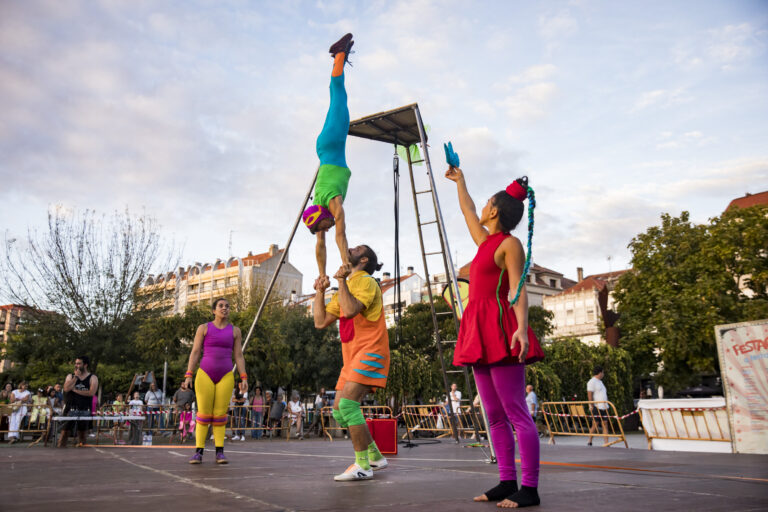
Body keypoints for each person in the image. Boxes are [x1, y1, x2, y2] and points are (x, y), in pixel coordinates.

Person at [445, 153, 544, 508]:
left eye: (488, 203)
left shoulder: (509, 245)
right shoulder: (484, 241)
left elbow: (518, 291)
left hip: (500, 330)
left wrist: (521, 330)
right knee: (494, 414)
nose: (483, 207)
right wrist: (460, 182)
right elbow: (468, 211)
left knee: (516, 411)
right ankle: (506, 481)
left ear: (497, 212)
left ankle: (529, 488)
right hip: (478, 329)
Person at [313, 245, 390, 481]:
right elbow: (320, 321)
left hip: (371, 351)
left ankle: (363, 465)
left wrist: (341, 281)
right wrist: (320, 291)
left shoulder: (367, 281)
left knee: (347, 406)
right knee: (338, 412)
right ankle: (376, 456)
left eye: (356, 249)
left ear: (363, 259)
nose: (349, 247)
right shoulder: (345, 286)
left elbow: (349, 310)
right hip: (352, 357)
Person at [302, 33, 356, 277]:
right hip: (327, 147)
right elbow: (321, 245)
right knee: (338, 98)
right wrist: (321, 274)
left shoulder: (333, 203)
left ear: (320, 218)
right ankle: (339, 59)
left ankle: (339, 54)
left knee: (338, 96)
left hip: (332, 145)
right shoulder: (318, 207)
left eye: (322, 226)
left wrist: (347, 263)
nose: (327, 227)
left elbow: (340, 235)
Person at [184, 297, 248, 464]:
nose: (224, 308)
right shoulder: (204, 328)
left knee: (220, 415)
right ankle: (198, 452)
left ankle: (220, 452)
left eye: (227, 306)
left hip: (226, 375)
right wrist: (189, 374)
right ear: (214, 310)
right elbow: (196, 351)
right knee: (203, 414)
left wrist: (243, 377)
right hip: (205, 374)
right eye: (220, 306)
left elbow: (239, 355)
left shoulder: (235, 331)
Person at [57, 356, 99, 448]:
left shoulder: (93, 377)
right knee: (65, 432)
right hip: (70, 408)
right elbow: (66, 388)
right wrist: (76, 377)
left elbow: (91, 392)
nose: (76, 365)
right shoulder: (70, 376)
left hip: (84, 408)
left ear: (85, 365)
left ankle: (81, 454)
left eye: (79, 363)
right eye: (76, 363)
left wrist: (75, 390)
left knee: (82, 434)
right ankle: (60, 450)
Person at [587, 366, 609, 446]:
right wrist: (591, 405)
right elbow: (590, 394)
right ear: (600, 373)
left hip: (604, 406)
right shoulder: (592, 382)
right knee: (595, 424)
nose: (603, 374)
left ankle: (606, 442)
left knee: (605, 423)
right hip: (596, 406)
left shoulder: (600, 382)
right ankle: (590, 440)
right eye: (603, 372)